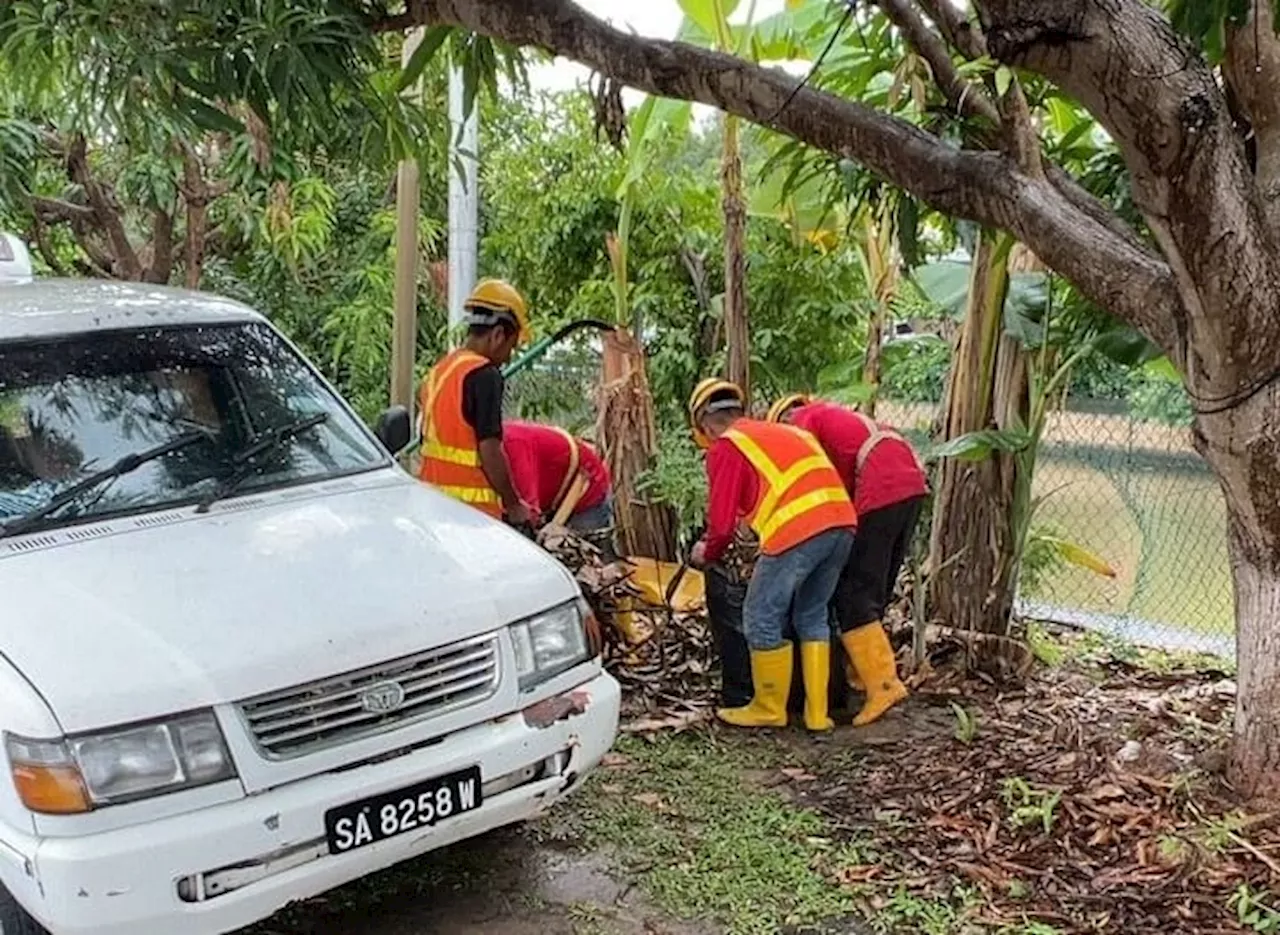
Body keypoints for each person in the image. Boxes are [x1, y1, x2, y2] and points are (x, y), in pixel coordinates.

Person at [687, 378, 857, 732]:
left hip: (798, 528)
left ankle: (768, 707)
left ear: (704, 425)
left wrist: (708, 551)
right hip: (842, 521)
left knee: (760, 613)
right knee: (812, 614)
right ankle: (817, 714)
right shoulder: (784, 434)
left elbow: (721, 524)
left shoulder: (727, 446)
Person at [766, 394, 927, 726]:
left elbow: (817, 488)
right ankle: (861, 676)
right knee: (872, 588)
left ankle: (883, 685)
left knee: (853, 593)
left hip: (881, 486)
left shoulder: (804, 421)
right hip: (909, 484)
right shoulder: (837, 418)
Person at [418, 279, 532, 526]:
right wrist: (513, 504)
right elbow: (490, 450)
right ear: (498, 335)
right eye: (511, 347)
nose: (508, 357)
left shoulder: (440, 371)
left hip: (432, 507)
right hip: (471, 516)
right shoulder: (485, 375)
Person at [502, 419, 615, 556]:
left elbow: (527, 516)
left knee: (585, 565)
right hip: (553, 498)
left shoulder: (513, 445)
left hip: (586, 493)